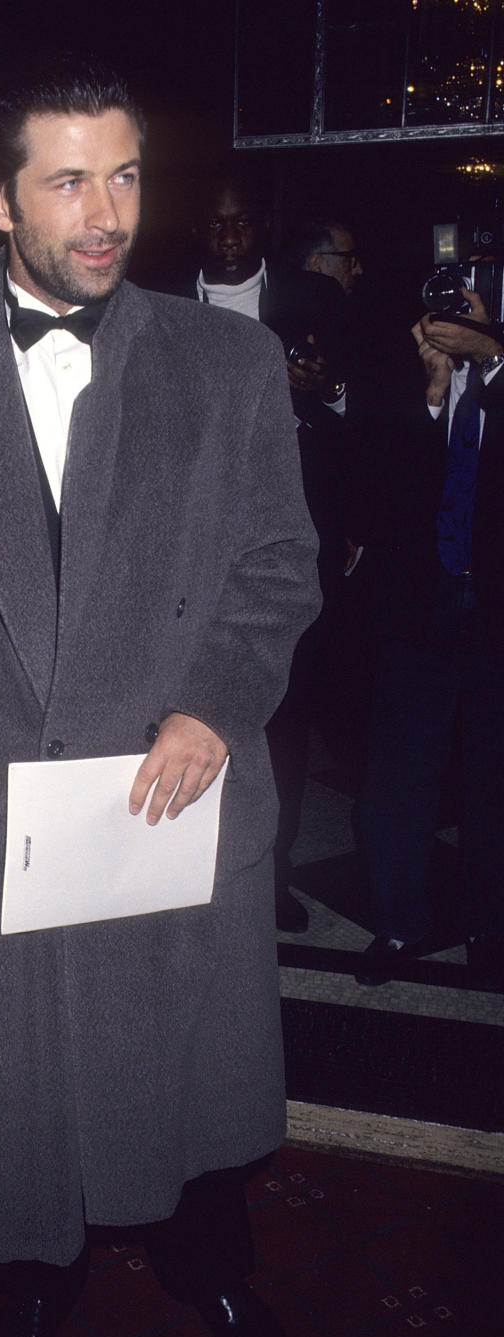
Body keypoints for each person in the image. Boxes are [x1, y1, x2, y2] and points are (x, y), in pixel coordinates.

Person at [0, 56, 319, 1337]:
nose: (106, 213)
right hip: (11, 803)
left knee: (196, 1068)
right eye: (67, 180)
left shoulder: (229, 360)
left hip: (180, 791)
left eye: (125, 175)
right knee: (32, 1094)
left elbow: (280, 563)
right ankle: (37, 1285)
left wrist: (215, 702)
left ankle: (212, 1267)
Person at [191, 179, 351, 935]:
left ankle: (273, 874)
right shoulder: (152, 305)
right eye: (217, 223)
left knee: (281, 722)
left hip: (280, 549)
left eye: (242, 221)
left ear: (262, 226)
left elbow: (368, 414)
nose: (228, 236)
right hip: (184, 557)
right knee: (187, 712)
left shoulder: (313, 303)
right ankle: (193, 877)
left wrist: (329, 390)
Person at [357, 284, 504, 988]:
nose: (458, 311)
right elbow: (381, 488)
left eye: (476, 298)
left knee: (493, 774)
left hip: (495, 598)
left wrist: (496, 360)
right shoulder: (408, 369)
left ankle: (490, 924)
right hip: (423, 595)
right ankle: (397, 921)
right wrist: (434, 392)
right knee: (398, 771)